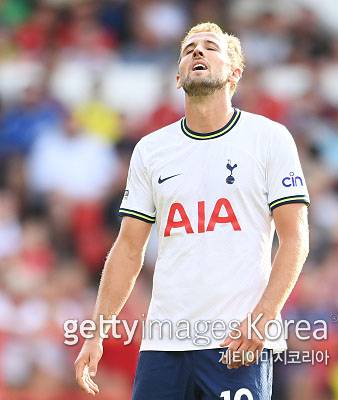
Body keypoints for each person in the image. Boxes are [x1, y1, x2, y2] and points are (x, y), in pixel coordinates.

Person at [74, 22, 310, 399]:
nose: (197, 52)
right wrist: (97, 332)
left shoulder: (269, 138)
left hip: (238, 341)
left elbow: (296, 238)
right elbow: (128, 248)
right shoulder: (152, 151)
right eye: (189, 49)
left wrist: (261, 319)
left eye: (210, 47)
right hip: (164, 344)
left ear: (235, 73)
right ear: (178, 76)